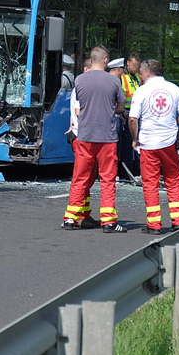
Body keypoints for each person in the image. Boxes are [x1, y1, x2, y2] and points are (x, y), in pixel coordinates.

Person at [63, 46, 127, 233]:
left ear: (92, 60)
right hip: (106, 137)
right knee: (107, 179)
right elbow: (119, 108)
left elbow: (78, 109)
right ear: (106, 61)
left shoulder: (80, 80)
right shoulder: (114, 81)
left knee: (80, 178)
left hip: (85, 136)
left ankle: (70, 218)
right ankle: (108, 221)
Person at [129, 59, 179, 234]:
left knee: (150, 184)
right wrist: (172, 124)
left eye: (140, 73)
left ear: (147, 72)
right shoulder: (174, 89)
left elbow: (133, 119)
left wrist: (135, 139)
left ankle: (154, 225)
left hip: (148, 143)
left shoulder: (141, 91)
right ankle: (178, 221)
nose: (139, 76)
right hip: (169, 143)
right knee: (173, 181)